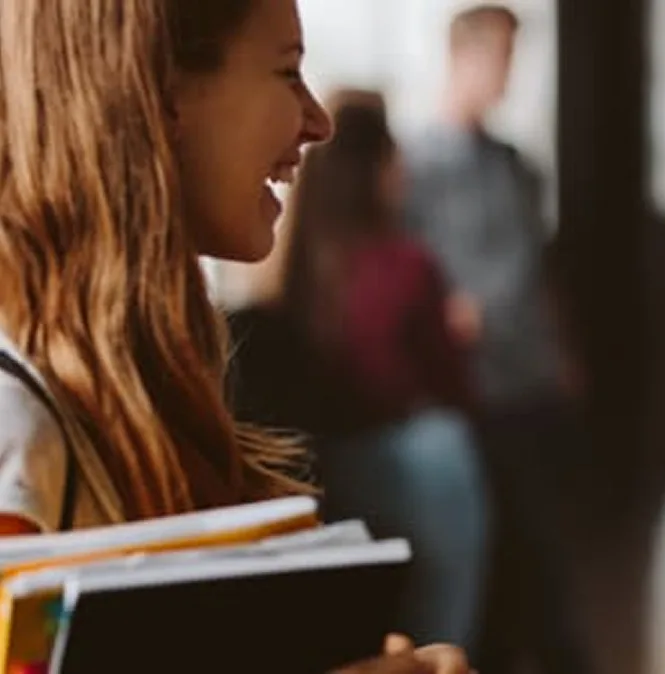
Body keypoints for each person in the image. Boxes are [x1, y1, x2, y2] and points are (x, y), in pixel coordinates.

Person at [0, 1, 467, 672]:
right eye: (287, 72)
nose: (318, 121)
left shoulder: (120, 381)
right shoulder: (18, 419)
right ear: (162, 91)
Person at [233, 89, 488, 651]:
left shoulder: (286, 272)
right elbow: (457, 390)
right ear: (377, 168)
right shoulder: (407, 266)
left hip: (315, 474)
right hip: (405, 469)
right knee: (449, 445)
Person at [404, 4, 591, 674]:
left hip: (530, 377)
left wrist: (564, 354)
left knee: (543, 543)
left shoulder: (515, 165)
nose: (510, 74)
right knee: (501, 551)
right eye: (502, 58)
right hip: (469, 386)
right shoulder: (413, 167)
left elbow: (539, 272)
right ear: (465, 58)